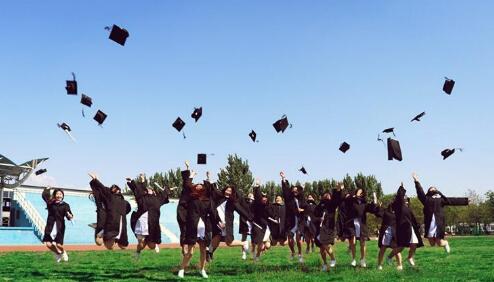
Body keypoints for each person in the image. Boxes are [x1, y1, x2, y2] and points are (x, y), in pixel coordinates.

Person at [412, 173, 469, 253]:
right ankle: (438, 241)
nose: (432, 189)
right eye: (430, 189)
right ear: (428, 191)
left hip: (438, 223)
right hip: (430, 223)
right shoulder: (426, 199)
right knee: (431, 243)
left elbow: (453, 200)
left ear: (437, 191)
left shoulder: (441, 199)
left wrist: (465, 201)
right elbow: (420, 192)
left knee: (440, 243)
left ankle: (446, 243)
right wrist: (416, 181)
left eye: (433, 188)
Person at [177, 162, 213, 279]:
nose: (198, 185)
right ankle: (182, 269)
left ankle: (202, 269)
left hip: (203, 229)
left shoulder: (207, 200)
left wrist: (208, 178)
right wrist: (191, 174)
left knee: (203, 251)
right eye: (196, 185)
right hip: (193, 227)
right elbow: (187, 185)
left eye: (200, 185)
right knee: (190, 252)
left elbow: (211, 189)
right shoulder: (191, 198)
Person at [208, 172, 252, 259]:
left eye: (230, 191)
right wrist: (209, 178)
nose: (228, 191)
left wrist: (250, 218)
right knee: (216, 237)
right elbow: (213, 189)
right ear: (224, 190)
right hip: (218, 223)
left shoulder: (233, 202)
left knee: (229, 242)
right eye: (227, 190)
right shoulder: (219, 197)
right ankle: (209, 252)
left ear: (232, 193)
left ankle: (244, 243)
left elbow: (241, 210)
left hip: (227, 224)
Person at [127, 173, 170, 258]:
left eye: (151, 189)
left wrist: (167, 190)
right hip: (141, 223)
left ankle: (155, 245)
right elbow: (137, 189)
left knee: (151, 246)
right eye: (147, 189)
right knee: (141, 243)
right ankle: (138, 252)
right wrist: (133, 181)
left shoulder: (158, 199)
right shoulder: (142, 198)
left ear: (154, 192)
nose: (149, 190)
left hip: (152, 224)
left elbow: (165, 194)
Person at [88, 173, 131, 250]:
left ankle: (116, 238)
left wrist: (119, 213)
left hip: (119, 224)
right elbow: (102, 188)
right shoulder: (109, 197)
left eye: (116, 189)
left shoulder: (125, 202)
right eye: (113, 189)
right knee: (101, 243)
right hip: (107, 223)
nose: (115, 190)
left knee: (123, 246)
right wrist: (95, 180)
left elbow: (128, 209)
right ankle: (98, 229)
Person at [389, 183, 424, 270]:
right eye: (405, 200)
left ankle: (409, 258)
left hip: (411, 228)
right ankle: (389, 257)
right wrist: (401, 188)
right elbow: (400, 197)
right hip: (403, 229)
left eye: (407, 200)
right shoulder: (399, 207)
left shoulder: (408, 209)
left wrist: (417, 226)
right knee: (401, 247)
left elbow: (413, 219)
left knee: (414, 244)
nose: (407, 201)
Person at [340, 187, 375, 267]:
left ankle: (363, 259)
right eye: (358, 192)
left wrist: (374, 200)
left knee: (362, 243)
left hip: (362, 224)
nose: (360, 194)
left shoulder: (364, 203)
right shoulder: (351, 201)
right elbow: (346, 200)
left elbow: (372, 209)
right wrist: (352, 195)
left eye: (361, 192)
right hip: (352, 223)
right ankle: (353, 259)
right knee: (353, 242)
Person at [313, 183, 343, 272]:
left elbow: (338, 199)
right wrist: (319, 219)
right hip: (319, 228)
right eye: (325, 194)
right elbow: (314, 216)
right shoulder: (319, 205)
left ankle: (333, 259)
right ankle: (325, 264)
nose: (327, 196)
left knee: (325, 244)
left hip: (328, 227)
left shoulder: (332, 204)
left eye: (328, 194)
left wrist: (338, 190)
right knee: (322, 249)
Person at [280, 171, 307, 263]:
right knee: (290, 239)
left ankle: (300, 254)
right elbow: (285, 189)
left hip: (300, 221)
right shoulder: (288, 198)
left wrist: (302, 210)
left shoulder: (302, 198)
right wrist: (283, 178)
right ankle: (293, 252)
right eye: (294, 190)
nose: (295, 191)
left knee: (298, 238)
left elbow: (306, 208)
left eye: (297, 190)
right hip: (290, 221)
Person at [42, 187, 73, 263]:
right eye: (57, 194)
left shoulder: (65, 205)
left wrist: (70, 216)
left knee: (59, 245)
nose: (59, 195)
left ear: (62, 196)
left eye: (60, 194)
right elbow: (44, 196)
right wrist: (47, 189)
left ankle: (63, 252)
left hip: (60, 226)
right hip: (50, 226)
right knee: (48, 244)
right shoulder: (50, 203)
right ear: (55, 195)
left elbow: (69, 214)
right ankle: (57, 253)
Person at [372, 192, 401, 270]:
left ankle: (399, 265)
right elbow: (377, 212)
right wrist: (375, 200)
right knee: (383, 248)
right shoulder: (385, 211)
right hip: (386, 232)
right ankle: (379, 265)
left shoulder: (399, 212)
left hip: (395, 233)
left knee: (396, 249)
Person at [251, 179, 271, 262]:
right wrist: (258, 186)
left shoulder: (270, 206)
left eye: (266, 197)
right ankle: (257, 255)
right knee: (261, 245)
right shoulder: (258, 205)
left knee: (268, 246)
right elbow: (257, 196)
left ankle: (259, 252)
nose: (264, 198)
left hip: (267, 228)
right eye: (263, 197)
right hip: (258, 226)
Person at [238, 192, 255, 260]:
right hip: (244, 222)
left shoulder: (255, 203)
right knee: (243, 238)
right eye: (249, 195)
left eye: (252, 195)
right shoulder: (244, 202)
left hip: (252, 223)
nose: (250, 196)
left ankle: (253, 253)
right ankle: (244, 253)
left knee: (253, 239)